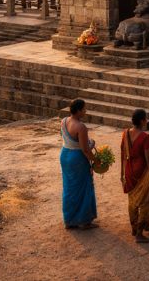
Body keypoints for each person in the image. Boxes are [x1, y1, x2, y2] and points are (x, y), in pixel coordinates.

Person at [121, 109, 149, 243]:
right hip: (142, 172)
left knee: (132, 201)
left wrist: (122, 174)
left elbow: (122, 155)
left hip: (129, 171)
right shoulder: (145, 138)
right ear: (142, 121)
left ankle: (136, 227)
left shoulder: (125, 134)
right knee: (146, 202)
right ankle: (139, 233)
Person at [60, 99, 98, 230]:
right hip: (77, 159)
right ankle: (84, 220)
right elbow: (85, 149)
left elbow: (68, 140)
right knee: (84, 187)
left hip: (65, 155)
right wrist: (95, 159)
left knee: (69, 188)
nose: (85, 111)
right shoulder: (81, 127)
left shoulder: (64, 121)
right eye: (84, 109)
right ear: (78, 110)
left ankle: (69, 220)